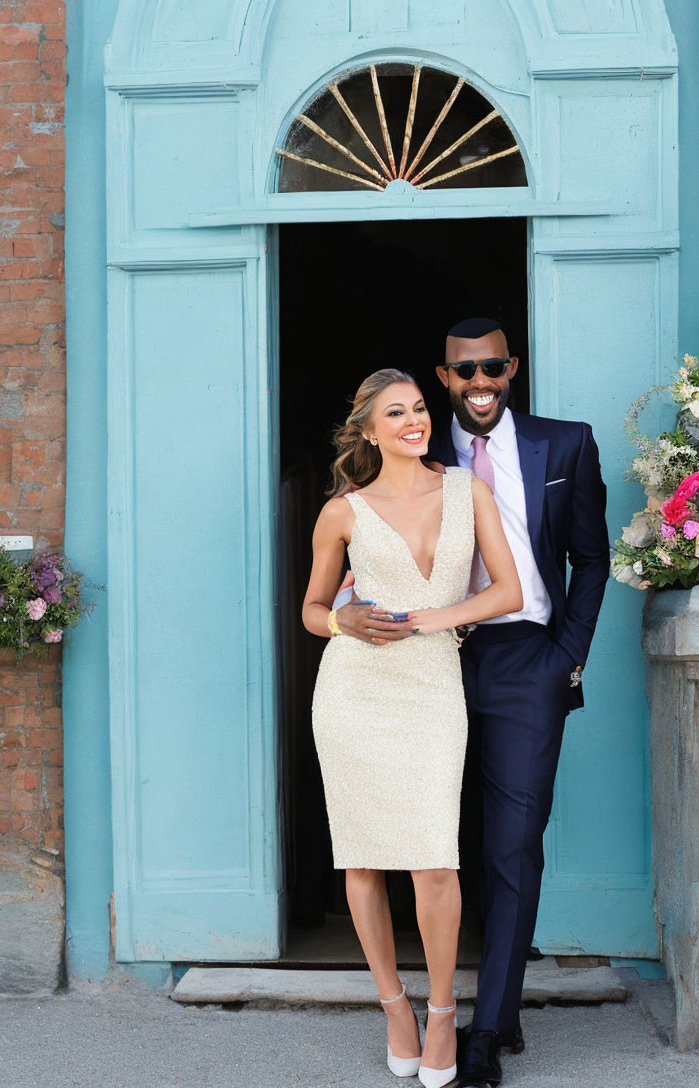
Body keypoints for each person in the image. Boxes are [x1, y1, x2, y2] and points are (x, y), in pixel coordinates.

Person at [333, 321, 610, 1088]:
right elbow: (368, 552)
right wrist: (352, 608)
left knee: (513, 841)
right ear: (444, 378)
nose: (479, 381)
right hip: (426, 664)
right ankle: (427, 1006)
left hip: (528, 658)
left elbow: (592, 559)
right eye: (464, 371)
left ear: (510, 368)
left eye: (493, 366)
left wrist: (568, 656)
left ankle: (487, 1026)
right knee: (431, 844)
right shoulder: (420, 450)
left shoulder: (566, 444)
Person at [303, 368, 522, 1088]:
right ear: (368, 429)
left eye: (420, 409)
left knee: (435, 857)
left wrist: (431, 619)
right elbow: (310, 610)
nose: (413, 421)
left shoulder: (468, 490)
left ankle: (439, 1012)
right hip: (355, 689)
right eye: (395, 413)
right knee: (362, 857)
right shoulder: (343, 511)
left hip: (432, 686)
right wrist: (342, 619)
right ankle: (394, 1005)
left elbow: (507, 591)